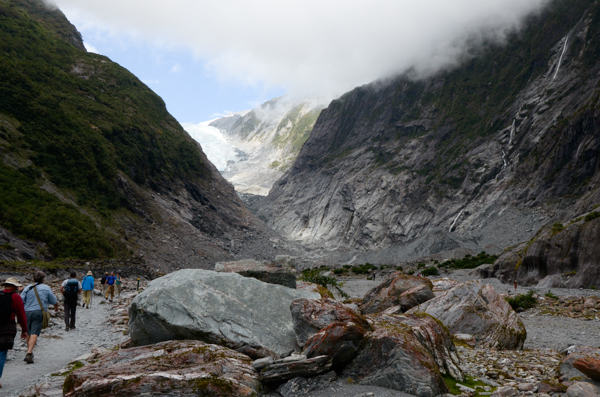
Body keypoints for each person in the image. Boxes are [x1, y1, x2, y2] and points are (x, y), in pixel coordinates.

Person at [21, 271, 58, 364]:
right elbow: (53, 300)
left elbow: (21, 300)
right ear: (43, 279)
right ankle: (29, 353)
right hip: (38, 312)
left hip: (26, 312)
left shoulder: (27, 288)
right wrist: (56, 306)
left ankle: (29, 351)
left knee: (28, 332)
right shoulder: (46, 288)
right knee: (35, 332)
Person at [0, 278, 28, 388]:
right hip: (8, 327)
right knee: (2, 353)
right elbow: (21, 314)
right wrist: (24, 330)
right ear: (13, 287)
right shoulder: (16, 297)